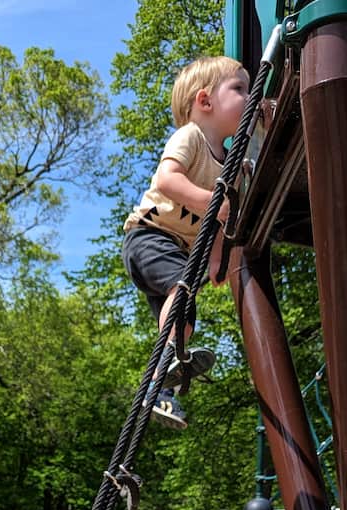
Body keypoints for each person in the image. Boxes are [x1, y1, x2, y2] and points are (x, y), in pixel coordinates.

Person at [122, 55, 249, 429]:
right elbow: (167, 181)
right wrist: (213, 202)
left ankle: (161, 387)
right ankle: (164, 367)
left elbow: (212, 225)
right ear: (205, 101)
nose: (248, 96)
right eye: (239, 89)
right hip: (147, 236)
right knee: (182, 291)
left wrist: (215, 260)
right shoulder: (190, 136)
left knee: (185, 314)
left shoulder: (228, 163)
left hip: (178, 249)